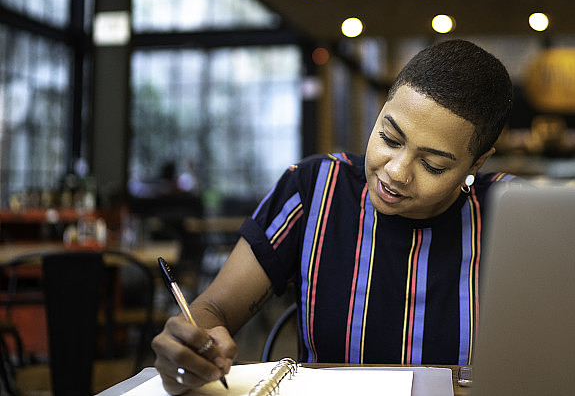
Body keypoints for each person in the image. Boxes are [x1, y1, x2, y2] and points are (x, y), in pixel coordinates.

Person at [151, 39, 515, 393]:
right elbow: (215, 309)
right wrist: (189, 347)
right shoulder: (313, 190)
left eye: (432, 165)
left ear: (477, 162)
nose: (397, 171)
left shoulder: (516, 215)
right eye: (389, 138)